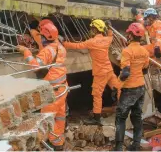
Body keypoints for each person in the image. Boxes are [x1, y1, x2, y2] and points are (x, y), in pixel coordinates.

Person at [17, 20, 68, 151]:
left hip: (53, 93)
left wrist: (26, 51)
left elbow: (35, 66)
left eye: (42, 36)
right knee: (60, 117)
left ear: (45, 37)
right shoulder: (60, 46)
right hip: (63, 89)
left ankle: (50, 144)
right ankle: (58, 143)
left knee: (46, 119)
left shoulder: (47, 51)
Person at [63, 19, 121, 125]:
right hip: (109, 70)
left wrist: (63, 42)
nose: (91, 31)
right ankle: (123, 109)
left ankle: (96, 118)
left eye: (92, 29)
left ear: (95, 29)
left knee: (97, 95)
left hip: (100, 73)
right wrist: (109, 28)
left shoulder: (92, 42)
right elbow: (110, 36)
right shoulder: (107, 40)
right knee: (118, 88)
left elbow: (76, 46)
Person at [114, 23, 149, 151]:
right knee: (137, 116)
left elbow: (125, 73)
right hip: (141, 87)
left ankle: (118, 148)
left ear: (131, 35)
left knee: (120, 117)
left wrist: (116, 86)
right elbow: (145, 69)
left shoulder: (127, 51)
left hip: (129, 89)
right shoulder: (144, 51)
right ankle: (135, 145)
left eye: (128, 34)